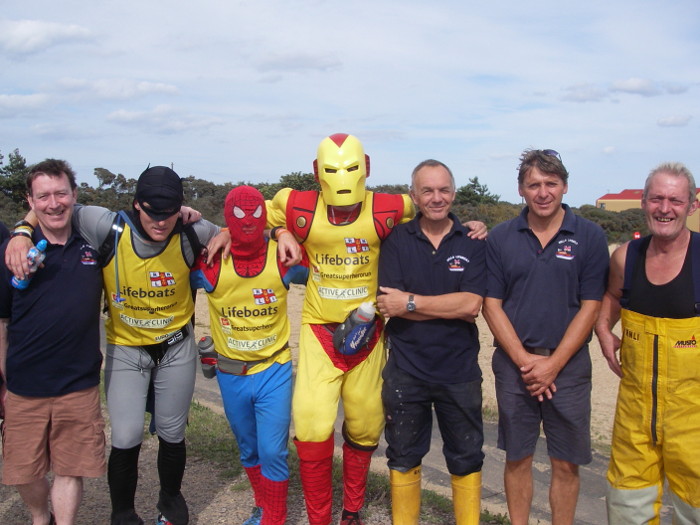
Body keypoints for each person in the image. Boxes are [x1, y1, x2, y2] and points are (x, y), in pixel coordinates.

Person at [5, 166, 220, 525]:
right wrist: (22, 231)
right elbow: (55, 204)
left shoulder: (192, 230)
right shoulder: (106, 225)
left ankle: (170, 499)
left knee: (172, 430)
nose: (161, 221)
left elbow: (237, 236)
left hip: (175, 347)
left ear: (181, 207)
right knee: (126, 434)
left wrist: (228, 229)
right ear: (137, 204)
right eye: (152, 211)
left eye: (170, 213)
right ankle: (122, 511)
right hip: (127, 348)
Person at [482, 149, 609, 525]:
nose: (543, 192)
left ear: (564, 186)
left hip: (568, 367)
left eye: (551, 183)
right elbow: (491, 305)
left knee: (566, 462)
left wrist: (552, 365)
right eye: (533, 184)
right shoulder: (502, 237)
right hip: (514, 366)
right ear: (521, 189)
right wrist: (526, 362)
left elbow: (591, 306)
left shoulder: (589, 235)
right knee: (517, 457)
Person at [190, 185, 309, 525]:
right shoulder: (209, 264)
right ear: (226, 219)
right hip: (230, 374)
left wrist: (282, 230)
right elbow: (170, 278)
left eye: (256, 213)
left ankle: (274, 517)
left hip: (274, 369)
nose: (247, 221)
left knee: (273, 451)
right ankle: (263, 504)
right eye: (237, 216)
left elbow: (329, 266)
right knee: (249, 450)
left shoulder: (283, 259)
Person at [377, 160, 486, 525]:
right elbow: (388, 304)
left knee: (467, 456)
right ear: (414, 196)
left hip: (460, 371)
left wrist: (412, 302)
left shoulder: (472, 241)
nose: (436, 198)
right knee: (404, 455)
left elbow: (471, 305)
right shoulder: (396, 240)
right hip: (406, 371)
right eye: (427, 190)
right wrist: (445, 307)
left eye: (443, 190)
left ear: (454, 193)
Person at [0, 159, 105, 525]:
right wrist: (3, 382)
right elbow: (1, 323)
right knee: (23, 471)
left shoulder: (93, 247)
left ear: (74, 195)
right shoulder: (12, 253)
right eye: (43, 196)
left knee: (70, 466)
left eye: (61, 193)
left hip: (78, 383)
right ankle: (38, 516)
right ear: (31, 201)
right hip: (25, 384)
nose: (54, 203)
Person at [594, 162, 700, 524]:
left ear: (692, 205)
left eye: (675, 200)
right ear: (643, 202)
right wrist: (604, 329)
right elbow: (610, 296)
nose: (665, 208)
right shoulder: (627, 257)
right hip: (635, 416)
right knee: (626, 506)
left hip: (694, 420)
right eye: (656, 198)